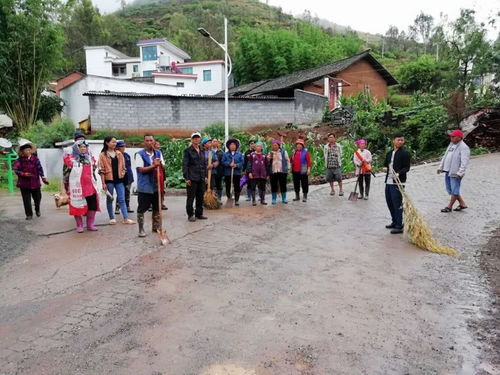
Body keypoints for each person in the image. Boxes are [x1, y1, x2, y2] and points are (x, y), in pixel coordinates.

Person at [64, 140, 100, 233]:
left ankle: (90, 224)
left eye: (85, 147)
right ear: (76, 148)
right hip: (77, 187)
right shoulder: (70, 160)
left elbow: (93, 172)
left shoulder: (90, 159)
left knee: (92, 205)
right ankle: (79, 225)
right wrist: (65, 186)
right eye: (81, 147)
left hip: (90, 186)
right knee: (77, 205)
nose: (83, 148)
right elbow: (65, 174)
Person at [98, 136, 135, 225]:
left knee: (122, 199)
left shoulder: (119, 154)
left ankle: (126, 218)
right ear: (107, 143)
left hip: (119, 180)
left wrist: (122, 174)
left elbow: (123, 167)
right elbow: (101, 170)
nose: (114, 144)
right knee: (110, 199)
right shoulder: (102, 155)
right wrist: (103, 183)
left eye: (115, 142)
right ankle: (112, 218)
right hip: (109, 180)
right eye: (112, 142)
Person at [135, 134, 164, 236]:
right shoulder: (139, 154)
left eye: (151, 140)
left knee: (156, 207)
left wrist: (160, 165)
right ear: (144, 142)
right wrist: (153, 165)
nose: (149, 142)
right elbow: (141, 170)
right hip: (145, 186)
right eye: (147, 141)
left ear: (154, 141)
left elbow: (162, 166)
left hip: (156, 185)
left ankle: (156, 227)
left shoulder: (158, 153)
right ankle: (141, 229)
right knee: (142, 208)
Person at [437, 129, 470, 213]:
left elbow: (464, 162)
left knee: (454, 190)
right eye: (451, 136)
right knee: (450, 189)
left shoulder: (464, 147)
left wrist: (459, 173)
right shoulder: (451, 145)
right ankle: (462, 204)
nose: (451, 138)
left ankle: (449, 206)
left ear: (459, 137)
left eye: (453, 136)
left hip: (455, 173)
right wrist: (440, 167)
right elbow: (445, 156)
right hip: (448, 171)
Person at [13, 142, 48, 220]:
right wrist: (23, 174)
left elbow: (40, 168)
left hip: (35, 182)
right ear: (22, 152)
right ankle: (29, 214)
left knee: (38, 198)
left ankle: (37, 209)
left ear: (31, 151)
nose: (28, 152)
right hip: (24, 183)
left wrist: (43, 177)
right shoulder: (19, 160)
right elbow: (15, 169)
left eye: (29, 150)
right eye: (26, 150)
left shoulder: (35, 159)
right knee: (26, 200)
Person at [384, 133, 411, 234]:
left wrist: (398, 174)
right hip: (388, 182)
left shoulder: (405, 154)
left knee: (397, 203)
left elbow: (406, 168)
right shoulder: (389, 153)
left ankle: (400, 225)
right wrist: (385, 169)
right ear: (393, 140)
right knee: (390, 202)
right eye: (398, 140)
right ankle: (394, 221)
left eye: (402, 140)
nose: (400, 142)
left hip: (398, 182)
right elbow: (386, 165)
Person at [183, 132, 208, 222]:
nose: (196, 139)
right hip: (192, 178)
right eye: (194, 138)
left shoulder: (202, 150)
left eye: (198, 138)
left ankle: (199, 213)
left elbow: (204, 164)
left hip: (201, 177)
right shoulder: (187, 151)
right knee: (191, 197)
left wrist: (205, 176)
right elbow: (185, 165)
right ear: (192, 139)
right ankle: (190, 214)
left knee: (200, 197)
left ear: (200, 139)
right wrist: (187, 178)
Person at [222, 138, 244, 206]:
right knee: (228, 186)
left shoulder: (239, 154)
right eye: (231, 144)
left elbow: (242, 162)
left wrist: (236, 165)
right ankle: (229, 197)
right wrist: (229, 164)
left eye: (234, 144)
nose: (232, 146)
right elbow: (223, 161)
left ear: (236, 146)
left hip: (236, 173)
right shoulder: (225, 154)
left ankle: (237, 200)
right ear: (228, 146)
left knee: (237, 186)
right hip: (228, 173)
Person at [267, 139, 290, 204]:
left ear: (279, 146)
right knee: (273, 185)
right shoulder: (270, 153)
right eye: (273, 145)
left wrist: (288, 169)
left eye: (276, 145)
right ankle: (274, 199)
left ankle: (284, 198)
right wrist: (270, 157)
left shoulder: (283, 152)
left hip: (282, 171)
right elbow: (267, 162)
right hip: (273, 171)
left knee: (283, 184)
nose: (275, 146)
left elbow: (288, 160)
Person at [115, 140, 134, 214]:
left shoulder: (127, 155)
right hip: (120, 177)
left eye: (124, 146)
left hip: (128, 176)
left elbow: (129, 166)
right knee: (120, 192)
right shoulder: (116, 156)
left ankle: (127, 207)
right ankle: (117, 208)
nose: (123, 148)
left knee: (127, 192)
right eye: (121, 146)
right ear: (117, 148)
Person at [247, 141, 268, 206]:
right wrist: (250, 172)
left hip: (262, 174)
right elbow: (249, 164)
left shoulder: (264, 155)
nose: (258, 147)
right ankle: (253, 200)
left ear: (261, 148)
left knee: (262, 187)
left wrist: (267, 174)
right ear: (255, 147)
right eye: (257, 146)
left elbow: (267, 165)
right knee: (253, 187)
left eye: (260, 146)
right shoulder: (252, 155)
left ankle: (263, 200)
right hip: (254, 174)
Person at [153, 140, 168, 211]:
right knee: (154, 189)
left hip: (161, 173)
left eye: (159, 145)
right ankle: (152, 204)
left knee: (162, 189)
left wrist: (160, 163)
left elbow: (163, 165)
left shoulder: (159, 153)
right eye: (157, 145)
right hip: (153, 174)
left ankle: (161, 203)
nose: (159, 146)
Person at [212, 138, 225, 203]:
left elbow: (223, 161)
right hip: (211, 172)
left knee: (219, 185)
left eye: (216, 141)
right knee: (212, 185)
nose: (215, 142)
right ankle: (213, 199)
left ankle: (219, 198)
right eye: (214, 141)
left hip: (219, 172)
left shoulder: (221, 152)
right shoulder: (209, 151)